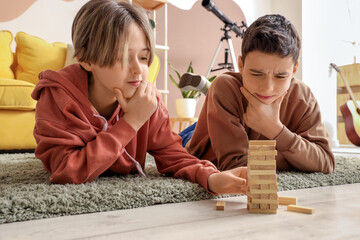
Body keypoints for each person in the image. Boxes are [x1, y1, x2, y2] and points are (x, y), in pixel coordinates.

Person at [31, 0, 248, 195]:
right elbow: (65, 171)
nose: (138, 70)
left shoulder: (146, 97)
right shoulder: (57, 97)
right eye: (122, 57)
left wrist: (211, 177)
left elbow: (174, 156)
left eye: (144, 57)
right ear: (86, 60)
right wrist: (131, 122)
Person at [184, 14, 335, 173]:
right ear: (241, 65)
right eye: (256, 74)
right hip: (202, 139)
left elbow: (325, 162)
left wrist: (276, 131)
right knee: (175, 142)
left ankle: (210, 98)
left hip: (228, 121)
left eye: (280, 76)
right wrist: (296, 157)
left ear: (294, 70)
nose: (267, 88)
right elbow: (235, 165)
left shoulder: (303, 96)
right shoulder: (225, 87)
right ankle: (210, 99)